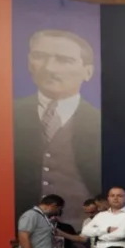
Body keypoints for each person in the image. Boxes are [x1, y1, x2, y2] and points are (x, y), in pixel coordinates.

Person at [13, 29, 102, 225]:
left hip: (82, 230)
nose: (49, 68)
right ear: (29, 63)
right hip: (21, 228)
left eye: (64, 60)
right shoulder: (7, 115)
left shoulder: (101, 123)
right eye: (39, 56)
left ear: (87, 72)